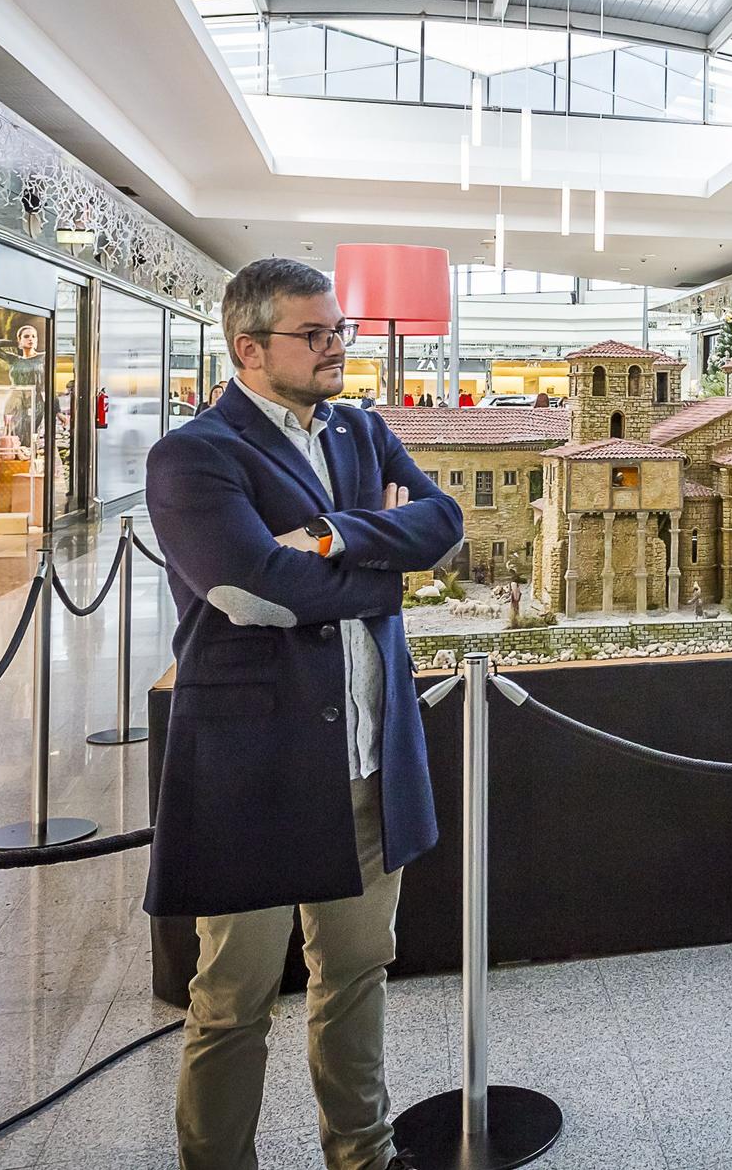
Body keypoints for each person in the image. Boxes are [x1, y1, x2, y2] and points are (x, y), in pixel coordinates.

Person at [143, 258, 463, 1170]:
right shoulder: (194, 454)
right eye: (314, 335)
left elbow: (442, 523)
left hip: (369, 756)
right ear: (250, 348)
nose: (336, 349)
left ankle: (363, 1152)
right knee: (234, 997)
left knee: (357, 974)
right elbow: (252, 591)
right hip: (256, 766)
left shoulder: (363, 430)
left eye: (339, 332)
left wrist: (332, 537)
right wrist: (381, 563)